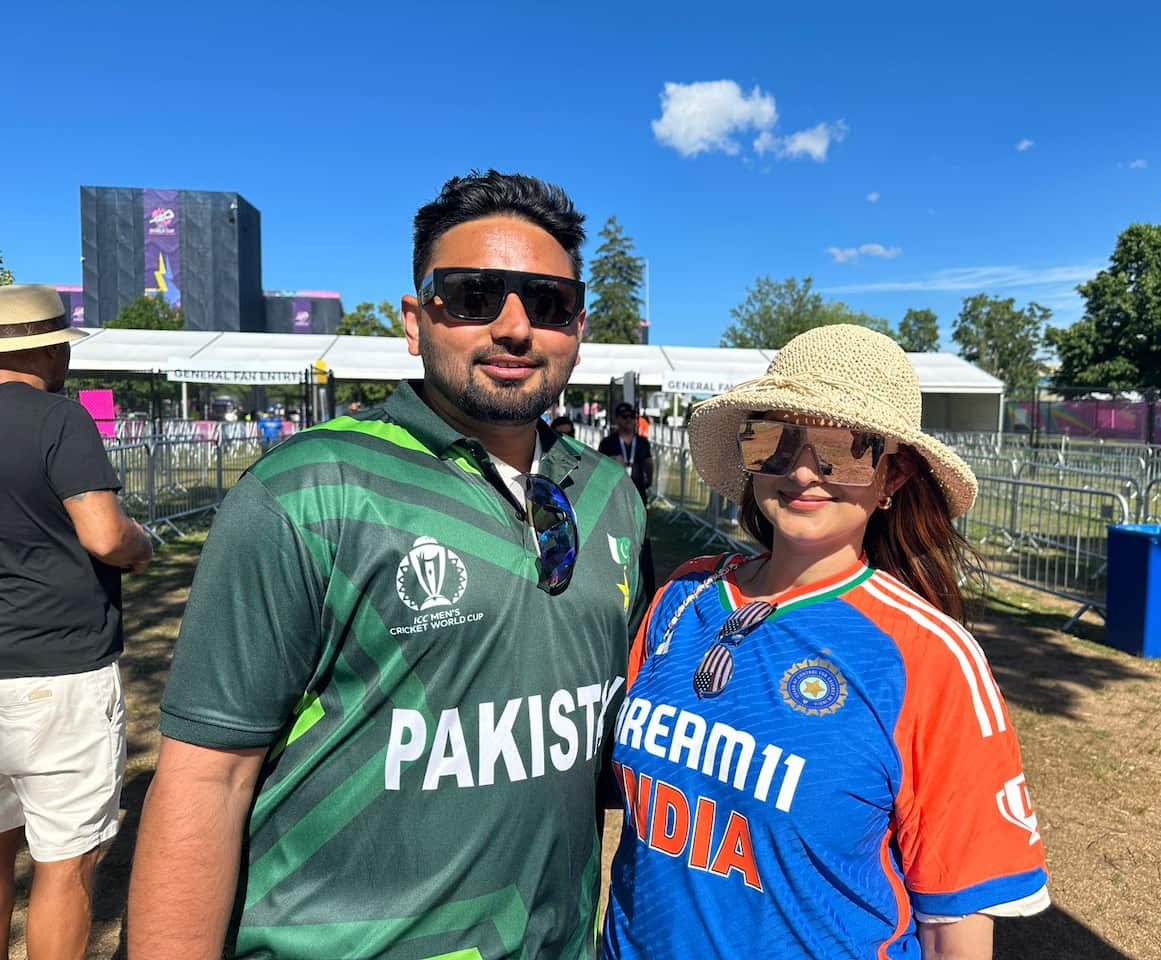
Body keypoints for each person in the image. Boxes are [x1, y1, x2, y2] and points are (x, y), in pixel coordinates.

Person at [129, 171, 649, 960]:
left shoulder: (614, 497)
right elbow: (206, 781)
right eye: (473, 295)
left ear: (577, 324)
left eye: (546, 303)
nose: (514, 327)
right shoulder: (307, 490)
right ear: (416, 320)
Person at [603, 325, 1049, 960]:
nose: (803, 469)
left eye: (844, 448)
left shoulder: (932, 658)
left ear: (892, 478)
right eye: (774, 439)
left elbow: (956, 923)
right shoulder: (684, 594)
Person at [0, 285, 153, 960]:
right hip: (57, 674)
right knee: (67, 864)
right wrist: (142, 544)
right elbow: (105, 535)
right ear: (48, 349)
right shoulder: (59, 421)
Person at [599, 401, 656, 599]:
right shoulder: (609, 443)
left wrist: (649, 480)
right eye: (625, 417)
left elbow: (649, 463)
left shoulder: (641, 443)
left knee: (642, 542)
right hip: (615, 500)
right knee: (618, 541)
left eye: (632, 417)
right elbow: (600, 470)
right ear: (617, 419)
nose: (629, 421)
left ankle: (646, 588)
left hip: (638, 497)